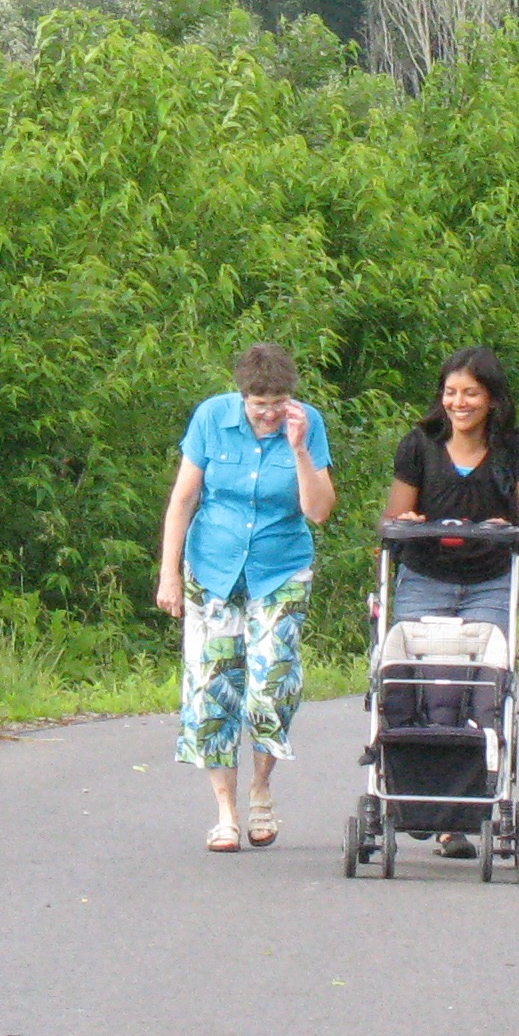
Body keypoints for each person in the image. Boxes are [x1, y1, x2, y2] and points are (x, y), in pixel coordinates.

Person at [156, 341, 336, 853]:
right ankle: (225, 814)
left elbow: (319, 510)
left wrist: (299, 449)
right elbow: (184, 498)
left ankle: (261, 790)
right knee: (212, 689)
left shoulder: (307, 424)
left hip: (279, 570)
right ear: (243, 396)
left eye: (278, 402)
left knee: (271, 685)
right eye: (260, 404)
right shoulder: (212, 418)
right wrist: (169, 574)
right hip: (213, 566)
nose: (269, 412)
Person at [382, 345, 519, 850]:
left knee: (480, 687)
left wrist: (508, 531)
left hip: (488, 581)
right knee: (433, 685)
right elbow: (392, 522)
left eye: (471, 393)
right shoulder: (419, 445)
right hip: (426, 578)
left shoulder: (513, 448)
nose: (459, 403)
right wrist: (407, 523)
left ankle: (457, 814)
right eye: (451, 392)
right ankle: (422, 800)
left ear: (492, 399)